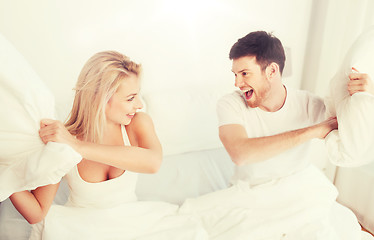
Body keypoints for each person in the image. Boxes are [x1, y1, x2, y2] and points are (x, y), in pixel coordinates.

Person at [179, 31, 373, 239]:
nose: (237, 83)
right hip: (252, 196)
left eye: (244, 73)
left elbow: (354, 138)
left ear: (271, 71)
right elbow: (240, 153)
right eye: (235, 74)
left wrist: (366, 97)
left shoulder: (309, 104)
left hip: (298, 192)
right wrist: (312, 131)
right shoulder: (230, 104)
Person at [9, 51, 207, 240]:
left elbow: (153, 162)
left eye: (138, 95)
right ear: (101, 99)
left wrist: (76, 146)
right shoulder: (63, 140)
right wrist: (6, 175)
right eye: (130, 98)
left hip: (131, 221)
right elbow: (36, 212)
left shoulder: (137, 123)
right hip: (82, 227)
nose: (139, 104)